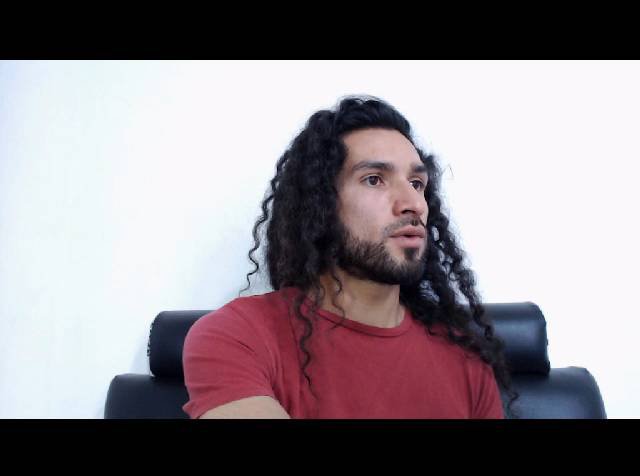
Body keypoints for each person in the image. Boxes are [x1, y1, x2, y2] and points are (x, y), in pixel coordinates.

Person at [182, 95, 519, 419]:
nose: (413, 203)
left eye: (417, 183)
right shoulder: (239, 334)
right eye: (374, 180)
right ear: (322, 206)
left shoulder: (466, 359)